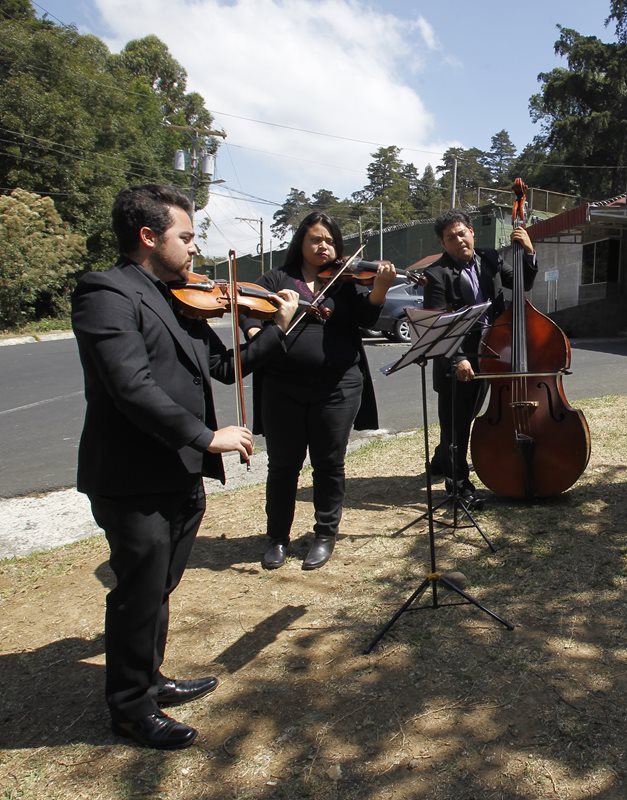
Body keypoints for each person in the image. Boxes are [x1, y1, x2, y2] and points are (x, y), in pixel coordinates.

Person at [73, 184, 299, 749]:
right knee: (139, 589)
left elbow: (224, 365)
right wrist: (206, 436)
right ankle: (129, 709)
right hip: (131, 474)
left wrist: (279, 327)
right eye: (187, 237)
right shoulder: (106, 292)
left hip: (179, 470)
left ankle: (148, 680)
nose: (195, 249)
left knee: (160, 585)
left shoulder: (178, 296)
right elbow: (131, 386)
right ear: (149, 237)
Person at [242, 211, 396, 571]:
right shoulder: (278, 278)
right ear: (301, 243)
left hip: (339, 387)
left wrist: (381, 289)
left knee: (329, 464)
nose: (322, 245)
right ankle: (277, 538)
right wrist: (254, 333)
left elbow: (367, 318)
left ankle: (325, 535)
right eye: (315, 239)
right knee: (283, 466)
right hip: (282, 388)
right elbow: (249, 308)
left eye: (329, 240)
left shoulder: (345, 281)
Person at [421, 209, 537, 503]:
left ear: (472, 231)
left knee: (469, 415)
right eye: (450, 237)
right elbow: (439, 323)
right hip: (459, 358)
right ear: (443, 244)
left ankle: (442, 459)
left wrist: (528, 252)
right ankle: (458, 486)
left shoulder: (491, 259)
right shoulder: (437, 275)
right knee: (457, 424)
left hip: (494, 353)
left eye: (462, 233)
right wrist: (458, 358)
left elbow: (524, 283)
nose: (458, 240)